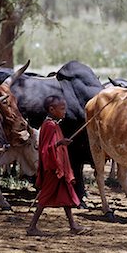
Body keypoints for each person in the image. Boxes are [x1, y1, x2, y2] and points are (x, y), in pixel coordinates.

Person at [26, 95, 89, 236]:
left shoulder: (53, 124)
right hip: (53, 168)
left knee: (66, 194)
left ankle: (73, 225)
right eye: (62, 109)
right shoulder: (49, 125)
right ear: (51, 109)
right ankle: (32, 227)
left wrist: (61, 143)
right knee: (45, 196)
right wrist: (60, 143)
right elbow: (45, 149)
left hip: (57, 167)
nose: (65, 111)